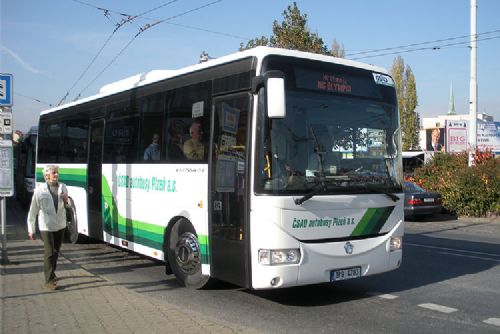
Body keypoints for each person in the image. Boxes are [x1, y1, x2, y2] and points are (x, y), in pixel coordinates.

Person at [27, 165, 69, 290]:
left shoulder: (63, 187)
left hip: (60, 224)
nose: (56, 175)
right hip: (46, 226)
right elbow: (33, 211)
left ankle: (52, 272)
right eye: (53, 173)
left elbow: (68, 206)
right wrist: (31, 229)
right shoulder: (40, 190)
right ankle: (49, 280)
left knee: (56, 251)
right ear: (46, 176)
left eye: (57, 173)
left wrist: (66, 200)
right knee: (49, 251)